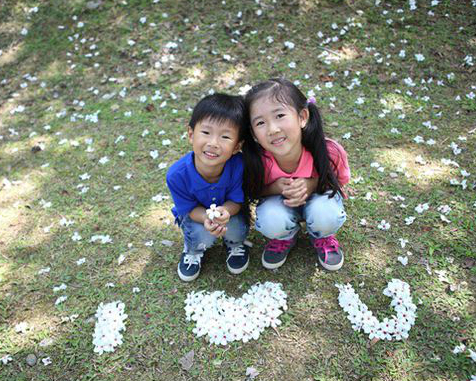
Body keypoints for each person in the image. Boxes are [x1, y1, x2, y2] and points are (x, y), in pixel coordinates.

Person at [242, 78, 350, 271]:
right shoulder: (256, 161)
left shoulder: (329, 152)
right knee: (270, 218)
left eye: (280, 115)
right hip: (279, 206)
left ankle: (322, 235)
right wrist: (276, 188)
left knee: (326, 213)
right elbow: (252, 192)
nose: (273, 129)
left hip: (319, 200)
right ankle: (285, 236)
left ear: (302, 117)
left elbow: (339, 182)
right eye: (260, 123)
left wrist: (311, 185)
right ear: (253, 133)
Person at [166, 93, 249, 282]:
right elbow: (188, 209)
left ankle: (235, 244)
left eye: (225, 136)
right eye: (206, 133)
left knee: (235, 227)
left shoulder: (239, 166)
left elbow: (236, 201)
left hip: (228, 214)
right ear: (191, 134)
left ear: (237, 146)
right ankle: (194, 250)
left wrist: (225, 212)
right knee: (200, 233)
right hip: (196, 217)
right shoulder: (176, 175)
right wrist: (206, 218)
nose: (213, 143)